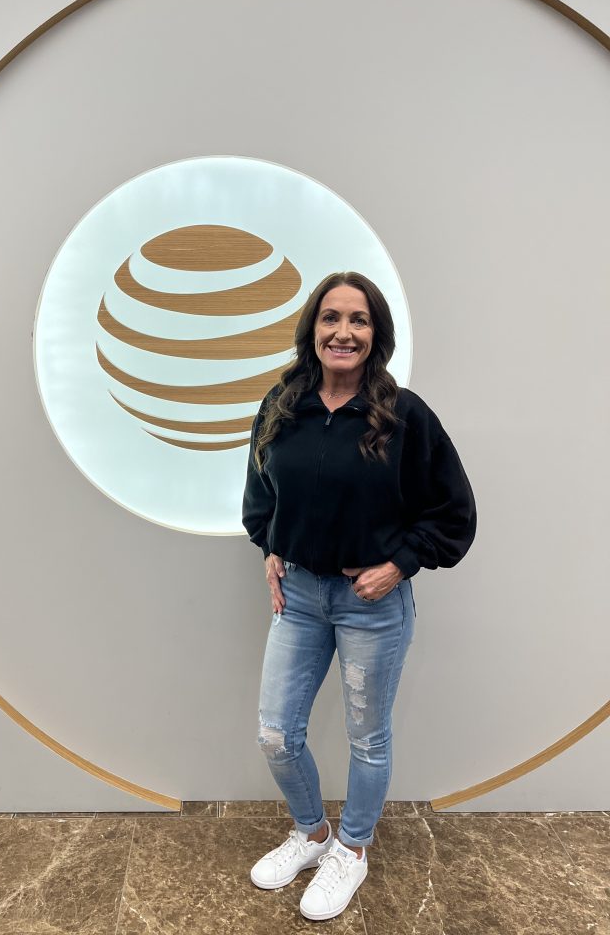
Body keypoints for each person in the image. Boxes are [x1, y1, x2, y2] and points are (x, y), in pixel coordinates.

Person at [242, 271, 476, 922]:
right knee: (275, 734)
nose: (343, 331)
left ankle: (353, 848)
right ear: (312, 330)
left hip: (371, 606)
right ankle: (313, 834)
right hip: (301, 597)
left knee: (367, 738)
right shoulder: (281, 406)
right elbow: (260, 492)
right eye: (331, 318)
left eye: (359, 319)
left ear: (376, 335)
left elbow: (454, 513)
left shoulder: (405, 415)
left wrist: (400, 564)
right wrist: (270, 546)